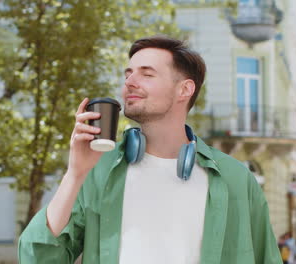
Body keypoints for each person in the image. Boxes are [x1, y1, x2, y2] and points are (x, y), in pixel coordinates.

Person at [18, 36, 282, 263]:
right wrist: (75, 173)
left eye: (146, 74)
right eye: (128, 74)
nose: (130, 82)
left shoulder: (236, 178)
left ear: (184, 89)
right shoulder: (98, 171)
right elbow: (37, 257)